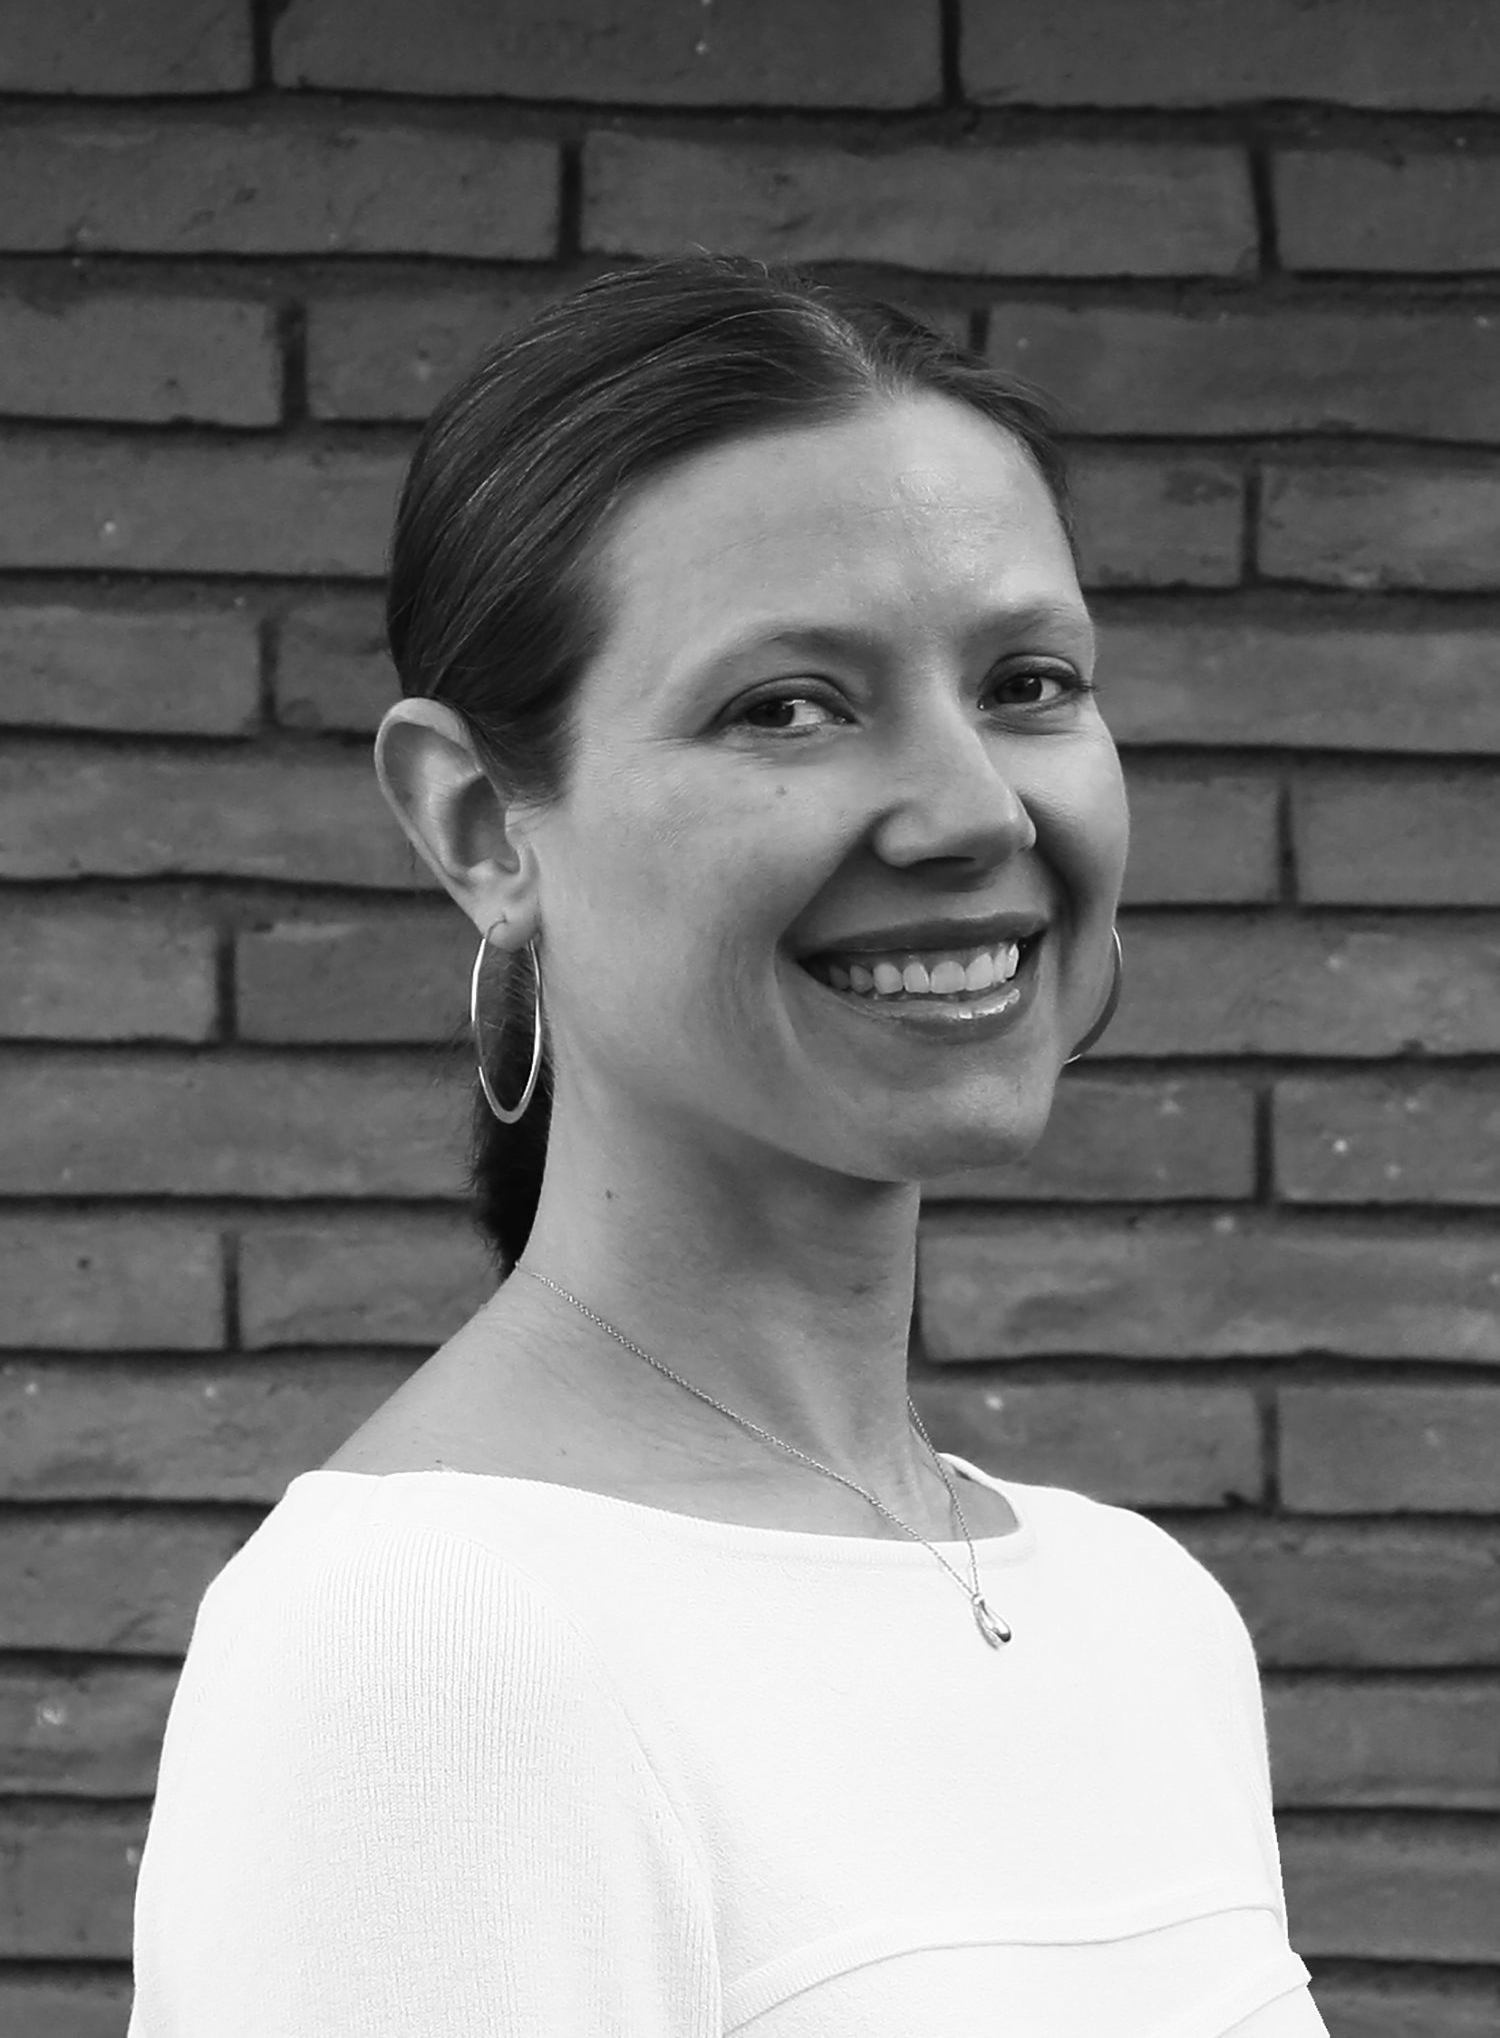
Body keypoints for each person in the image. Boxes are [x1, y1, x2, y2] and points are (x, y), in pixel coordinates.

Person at [127, 253, 1327, 2036]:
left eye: (1028, 682)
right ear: (480, 826)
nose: (976, 811)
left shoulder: (1142, 1612)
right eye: (789, 705)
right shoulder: (425, 1641)